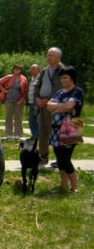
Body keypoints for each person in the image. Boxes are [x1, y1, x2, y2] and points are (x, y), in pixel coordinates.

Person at [47, 66, 84, 194]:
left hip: (71, 126)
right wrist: (60, 107)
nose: (63, 80)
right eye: (61, 78)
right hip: (57, 128)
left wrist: (57, 108)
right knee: (59, 158)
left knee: (65, 158)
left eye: (65, 78)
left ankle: (75, 187)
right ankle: (64, 185)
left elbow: (70, 106)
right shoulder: (59, 92)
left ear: (72, 78)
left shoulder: (77, 91)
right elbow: (48, 106)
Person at [34, 47, 65, 165]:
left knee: (57, 131)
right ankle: (43, 155)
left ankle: (60, 158)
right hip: (43, 105)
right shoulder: (44, 70)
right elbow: (37, 85)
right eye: (47, 55)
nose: (48, 57)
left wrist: (48, 100)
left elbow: (59, 88)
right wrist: (37, 97)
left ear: (58, 57)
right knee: (43, 131)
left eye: (51, 55)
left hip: (55, 105)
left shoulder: (62, 70)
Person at [0, 64, 28, 140]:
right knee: (9, 116)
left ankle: (18, 134)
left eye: (18, 69)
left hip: (19, 100)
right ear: (13, 70)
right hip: (9, 99)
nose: (17, 70)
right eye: (16, 69)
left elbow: (25, 91)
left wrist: (21, 100)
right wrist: (4, 90)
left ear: (20, 70)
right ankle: (9, 134)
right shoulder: (9, 77)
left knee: (18, 117)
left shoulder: (23, 79)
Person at [26, 64, 41, 142]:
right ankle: (33, 135)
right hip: (31, 102)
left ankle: (38, 135)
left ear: (38, 70)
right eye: (31, 69)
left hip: (37, 103)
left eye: (33, 69)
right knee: (31, 119)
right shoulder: (30, 79)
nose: (31, 71)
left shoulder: (41, 79)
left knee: (37, 119)